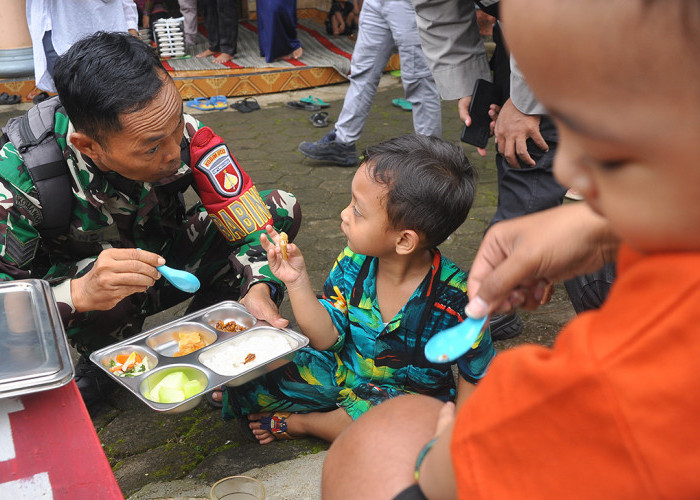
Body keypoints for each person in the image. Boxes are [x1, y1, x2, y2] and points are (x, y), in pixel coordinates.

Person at [321, 0, 700, 497]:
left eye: (601, 128)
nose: (565, 172)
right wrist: (600, 227)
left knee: (384, 437)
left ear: (407, 238)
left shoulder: (615, 378)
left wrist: (454, 446)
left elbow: (449, 467)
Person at [0, 32, 301, 415]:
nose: (176, 152)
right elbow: (6, 310)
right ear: (88, 146)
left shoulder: (178, 132)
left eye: (177, 123)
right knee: (104, 288)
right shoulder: (20, 176)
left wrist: (260, 287)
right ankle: (100, 360)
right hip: (98, 299)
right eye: (153, 147)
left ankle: (218, 334)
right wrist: (77, 293)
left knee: (279, 210)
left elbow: (254, 225)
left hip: (167, 265)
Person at [223, 134, 495, 444]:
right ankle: (252, 391)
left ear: (404, 240)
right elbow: (324, 339)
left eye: (358, 211)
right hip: (341, 373)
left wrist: (456, 434)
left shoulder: (458, 299)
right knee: (262, 370)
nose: (344, 214)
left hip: (408, 401)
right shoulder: (354, 261)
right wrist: (297, 281)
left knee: (379, 417)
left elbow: (477, 374)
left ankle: (306, 424)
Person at [297, 0, 441, 167]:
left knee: (419, 80)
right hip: (375, 4)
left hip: (408, 4)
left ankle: (430, 158)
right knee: (362, 73)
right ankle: (342, 142)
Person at [26, 0, 139, 93]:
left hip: (111, 27)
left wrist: (131, 26)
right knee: (78, 95)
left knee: (118, 93)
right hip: (61, 31)